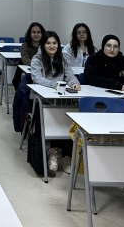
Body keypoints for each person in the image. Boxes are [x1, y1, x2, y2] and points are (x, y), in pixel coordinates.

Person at [30, 31, 80, 173]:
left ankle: (67, 156)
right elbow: (37, 78)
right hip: (42, 99)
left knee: (67, 120)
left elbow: (70, 75)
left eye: (54, 43)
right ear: (43, 45)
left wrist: (74, 83)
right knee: (56, 119)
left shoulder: (63, 59)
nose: (51, 46)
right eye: (48, 43)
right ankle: (53, 151)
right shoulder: (37, 59)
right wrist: (54, 85)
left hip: (61, 99)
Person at [13, 21, 45, 89]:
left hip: (42, 69)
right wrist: (37, 65)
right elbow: (25, 59)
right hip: (27, 67)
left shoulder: (45, 45)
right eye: (33, 32)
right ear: (30, 34)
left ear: (42, 34)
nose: (36, 34)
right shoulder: (25, 46)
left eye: (38, 32)